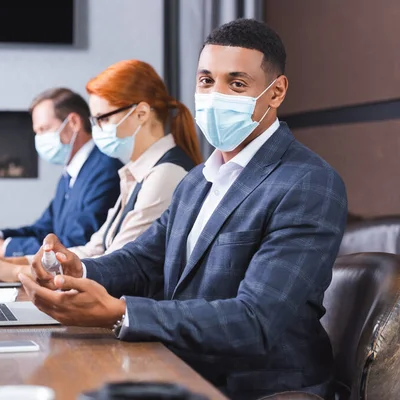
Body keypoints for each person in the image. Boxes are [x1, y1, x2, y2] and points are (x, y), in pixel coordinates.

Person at [18, 19, 348, 400]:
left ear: (276, 92)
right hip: (181, 366)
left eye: (236, 83)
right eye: (206, 81)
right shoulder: (195, 181)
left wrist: (121, 311)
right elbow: (144, 261)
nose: (215, 95)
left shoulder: (308, 183)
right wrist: (80, 269)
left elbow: (256, 321)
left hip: (258, 389)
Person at [0, 60, 202, 282]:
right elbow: (96, 247)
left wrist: (16, 271)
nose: (96, 130)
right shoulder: (137, 172)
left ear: (140, 114)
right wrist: (16, 262)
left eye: (102, 119)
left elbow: (119, 262)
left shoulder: (166, 173)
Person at [0, 88, 122, 258]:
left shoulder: (105, 171)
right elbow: (43, 229)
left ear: (73, 123)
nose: (40, 139)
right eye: (37, 132)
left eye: (44, 129)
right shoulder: (71, 173)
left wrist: (2, 248)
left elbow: (78, 242)